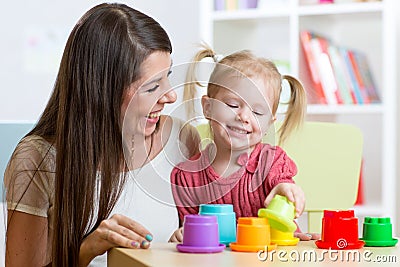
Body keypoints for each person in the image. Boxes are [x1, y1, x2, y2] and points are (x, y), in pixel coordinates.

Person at [4, 3, 200, 267]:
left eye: (168, 77)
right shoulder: (38, 159)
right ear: (102, 91)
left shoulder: (182, 139)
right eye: (153, 86)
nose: (171, 95)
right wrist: (88, 249)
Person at [170, 46, 319, 242]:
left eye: (257, 112)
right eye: (232, 105)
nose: (243, 117)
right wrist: (183, 235)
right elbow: (191, 235)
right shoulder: (187, 178)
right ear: (207, 107)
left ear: (268, 124)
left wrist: (287, 190)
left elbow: (282, 183)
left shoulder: (271, 161)